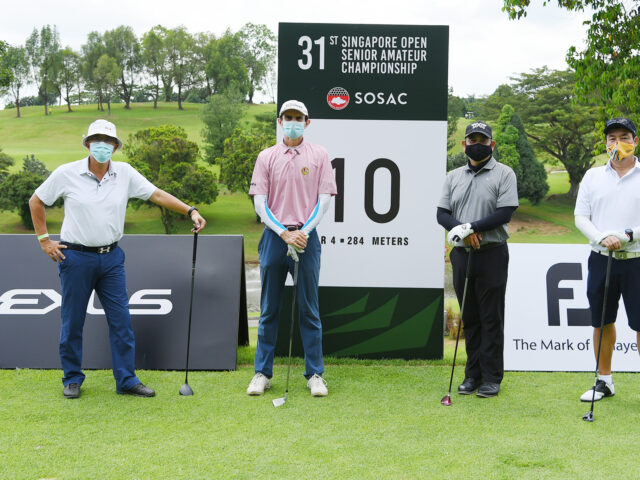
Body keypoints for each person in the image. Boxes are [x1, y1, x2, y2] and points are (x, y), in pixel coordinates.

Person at [28, 119, 206, 399]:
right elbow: (36, 201)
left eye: (108, 141)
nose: (102, 145)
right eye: (97, 140)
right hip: (76, 257)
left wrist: (190, 210)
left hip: (111, 258)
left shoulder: (125, 173)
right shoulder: (67, 173)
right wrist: (44, 240)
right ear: (88, 144)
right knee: (72, 322)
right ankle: (72, 378)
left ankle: (126, 379)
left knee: (121, 322)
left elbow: (157, 194)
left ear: (115, 146)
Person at [246, 100, 337, 397]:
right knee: (269, 308)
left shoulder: (319, 155)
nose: (293, 122)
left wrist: (302, 232)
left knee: (309, 308)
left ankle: (315, 374)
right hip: (275, 237)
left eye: (299, 118)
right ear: (280, 120)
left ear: (307, 123)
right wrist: (284, 233)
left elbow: (324, 200)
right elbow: (260, 203)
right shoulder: (266, 157)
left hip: (306, 238)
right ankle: (262, 373)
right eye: (289, 117)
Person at [437, 121, 519, 398]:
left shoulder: (504, 173)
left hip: (492, 253)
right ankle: (472, 375)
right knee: (469, 315)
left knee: (491, 316)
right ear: (464, 144)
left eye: (483, 140)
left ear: (491, 144)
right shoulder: (453, 176)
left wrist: (471, 228)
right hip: (462, 254)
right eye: (472, 140)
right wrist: (464, 231)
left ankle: (491, 377)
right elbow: (442, 214)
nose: (477, 144)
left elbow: (505, 213)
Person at [574, 117, 640, 402]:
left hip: (637, 258)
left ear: (635, 141)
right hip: (602, 258)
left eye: (624, 137)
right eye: (612, 138)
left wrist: (627, 235)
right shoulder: (592, 176)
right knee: (602, 321)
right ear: (605, 143)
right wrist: (601, 237)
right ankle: (604, 381)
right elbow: (580, 217)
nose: (618, 143)